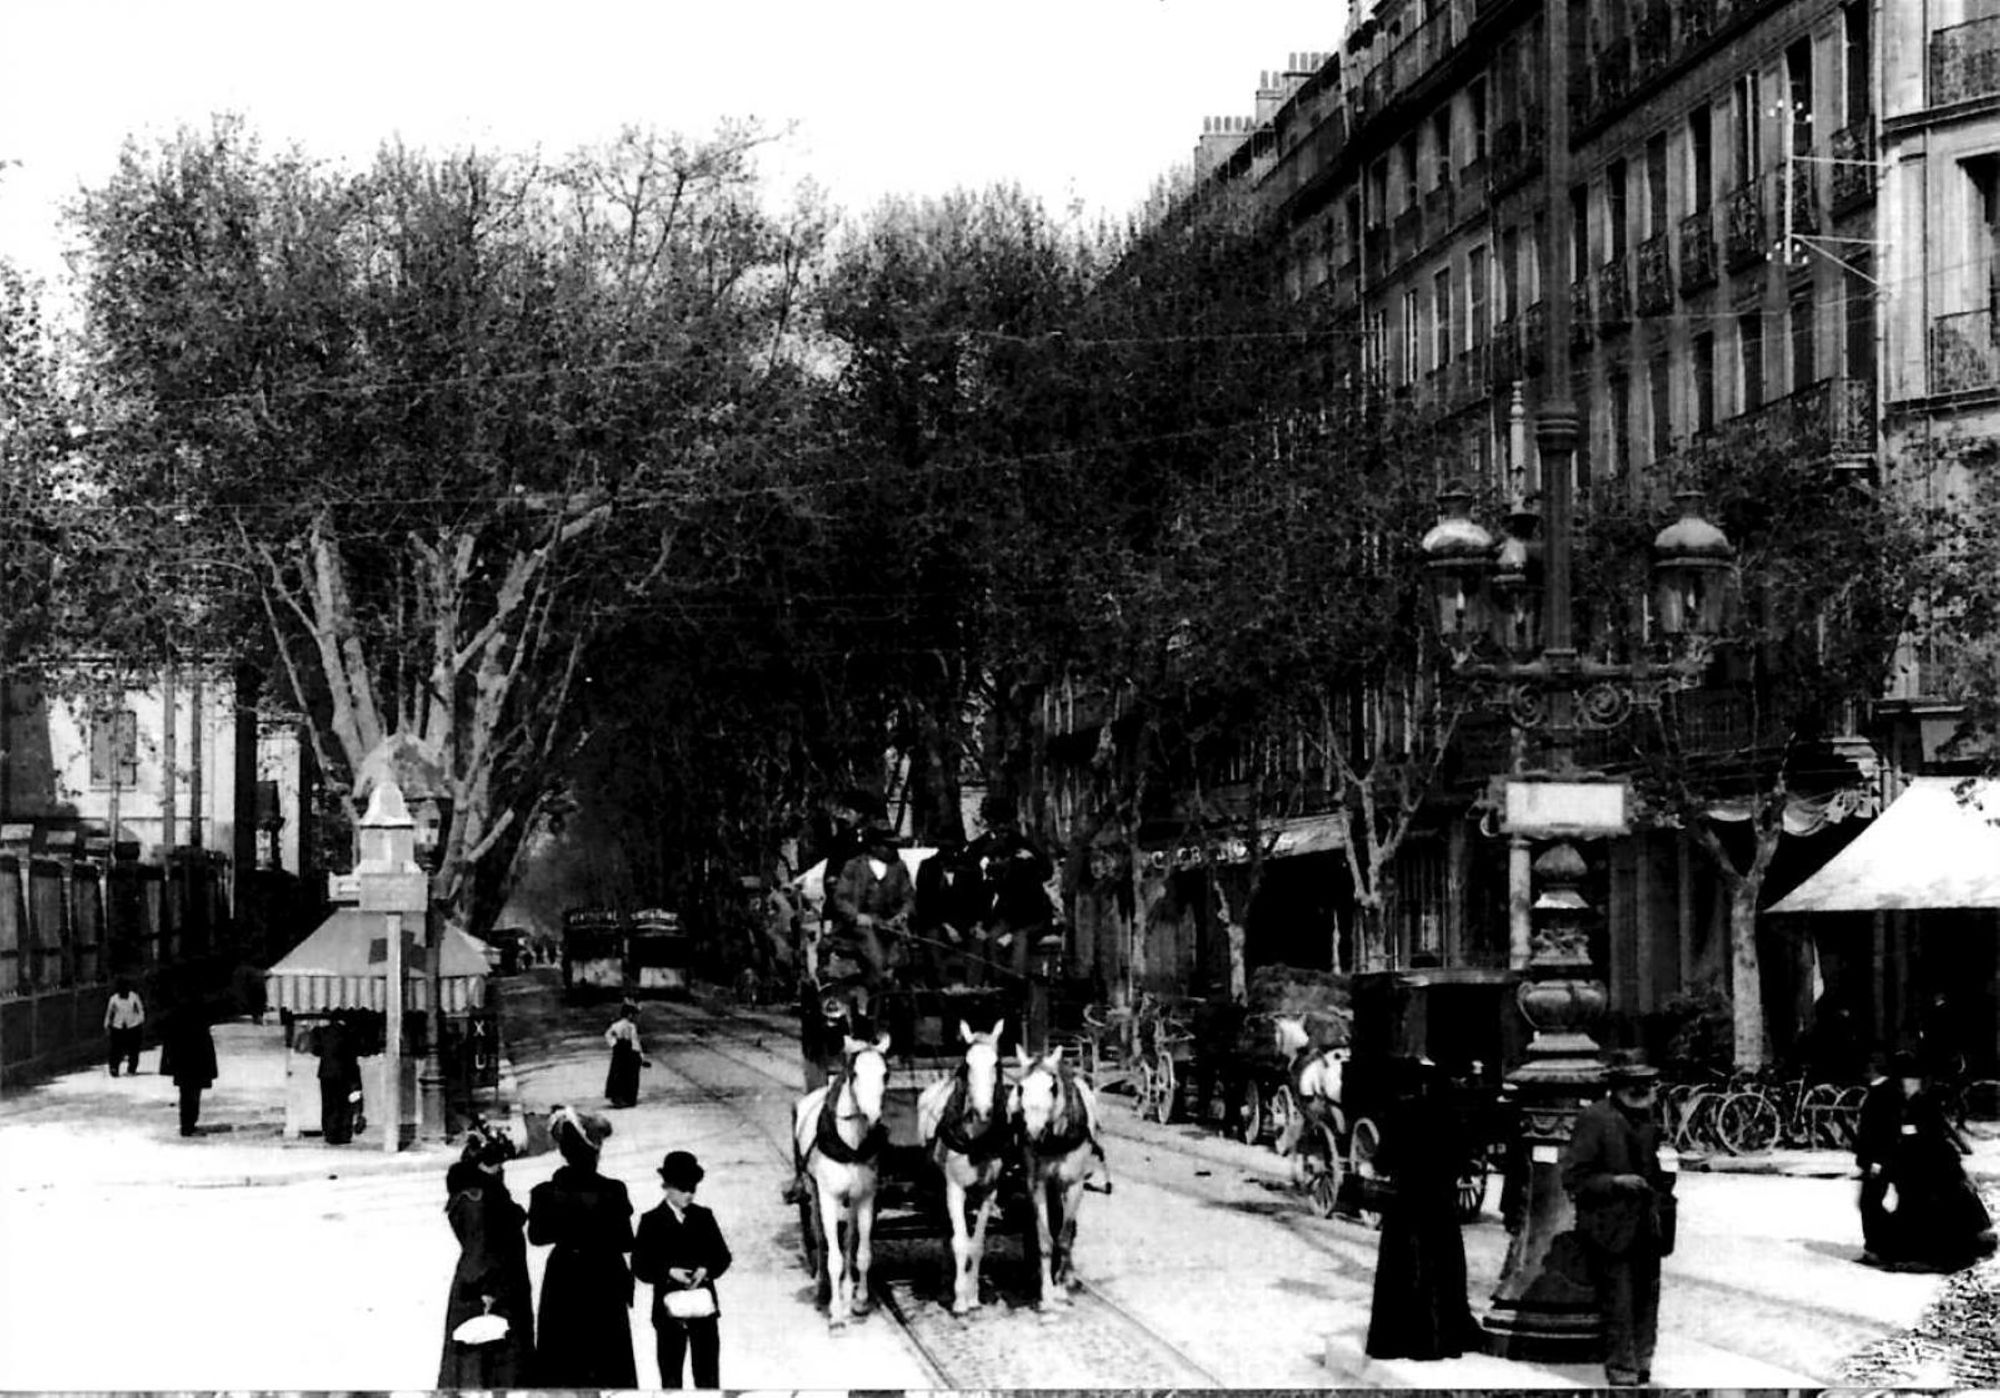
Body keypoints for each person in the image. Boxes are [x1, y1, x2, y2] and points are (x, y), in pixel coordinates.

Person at [1562, 1048, 1673, 1388]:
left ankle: (1642, 1362)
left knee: (1647, 1299)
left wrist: (1667, 1173)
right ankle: (1622, 1369)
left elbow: (1658, 1169)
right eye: (1633, 1083)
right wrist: (1614, 1182)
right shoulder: (1596, 1119)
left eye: (1646, 1083)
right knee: (1619, 1302)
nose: (1642, 1090)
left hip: (1648, 1224)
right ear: (1616, 1085)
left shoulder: (1650, 1118)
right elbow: (1574, 1177)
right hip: (1611, 1226)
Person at [1364, 1058, 1483, 1361]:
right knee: (1444, 1268)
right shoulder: (1451, 1115)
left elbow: (1384, 1160)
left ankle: (1400, 1339)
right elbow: (1463, 1159)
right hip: (1441, 1204)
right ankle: (1442, 1337)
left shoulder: (1400, 1113)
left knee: (1403, 1269)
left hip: (1406, 1203)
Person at [1856, 1050, 1997, 1271]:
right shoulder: (1896, 1100)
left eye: (1913, 1081)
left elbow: (1934, 1135)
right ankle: (1908, 1249)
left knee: (1929, 1207)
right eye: (1906, 1080)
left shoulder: (1921, 1102)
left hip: (1928, 1164)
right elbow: (1891, 1134)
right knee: (1915, 1207)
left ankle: (1931, 1253)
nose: (1910, 1085)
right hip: (1912, 1165)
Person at [528, 1105, 637, 1388]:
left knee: (563, 1362)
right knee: (608, 1363)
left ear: (563, 1152)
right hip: (605, 1278)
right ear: (596, 1152)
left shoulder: (545, 1192)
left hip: (564, 1277)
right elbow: (626, 1241)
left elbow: (537, 1237)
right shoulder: (614, 1190)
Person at [438, 1125, 535, 1388]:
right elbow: (479, 1250)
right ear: (480, 1165)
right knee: (489, 1367)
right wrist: (487, 1289)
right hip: (491, 1292)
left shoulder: (482, 1194)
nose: (501, 1169)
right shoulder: (478, 1200)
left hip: (499, 1286)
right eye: (494, 1163)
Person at [632, 1149, 732, 1389]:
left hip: (703, 1312)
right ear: (667, 1187)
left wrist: (705, 1269)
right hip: (669, 1315)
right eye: (683, 1188)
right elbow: (640, 1265)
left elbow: (722, 1256)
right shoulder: (651, 1221)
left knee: (708, 1378)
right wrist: (668, 1271)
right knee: (671, 1378)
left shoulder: (703, 1217)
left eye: (693, 1189)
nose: (689, 1194)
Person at [965, 793, 1055, 983]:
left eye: (1004, 824)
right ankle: (998, 984)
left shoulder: (1023, 846)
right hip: (1006, 913)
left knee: (1018, 939)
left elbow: (1046, 871)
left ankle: (1016, 984)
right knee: (992, 939)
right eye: (995, 824)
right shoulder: (980, 848)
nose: (1001, 829)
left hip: (1032, 912)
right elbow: (978, 886)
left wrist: (1025, 862)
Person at [828, 814, 913, 998]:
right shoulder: (853, 866)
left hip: (889, 923)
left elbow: (908, 897)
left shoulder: (899, 868)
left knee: (902, 942)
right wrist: (856, 916)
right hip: (860, 925)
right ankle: (880, 979)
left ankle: (896, 985)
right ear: (874, 846)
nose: (891, 849)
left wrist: (903, 914)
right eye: (887, 845)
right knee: (869, 940)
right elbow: (840, 898)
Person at [160, 991, 218, 1138]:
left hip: (182, 1062)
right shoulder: (200, 1020)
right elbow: (207, 1045)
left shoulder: (175, 1016)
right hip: (196, 1062)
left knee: (185, 1093)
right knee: (193, 1094)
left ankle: (187, 1124)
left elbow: (168, 1043)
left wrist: (167, 1065)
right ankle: (188, 1125)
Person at [316, 1015, 363, 1145]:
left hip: (325, 1074)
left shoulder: (323, 1032)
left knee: (328, 1104)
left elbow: (316, 1049)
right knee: (343, 1105)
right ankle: (343, 1134)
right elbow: (353, 1056)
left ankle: (329, 1134)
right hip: (344, 1074)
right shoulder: (349, 1033)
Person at [604, 1001, 648, 1109]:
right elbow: (634, 1041)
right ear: (629, 1015)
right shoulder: (626, 1026)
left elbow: (608, 1035)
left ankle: (622, 1097)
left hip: (624, 1050)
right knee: (624, 1073)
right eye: (633, 1015)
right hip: (625, 1049)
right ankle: (623, 1097)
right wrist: (639, 1054)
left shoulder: (622, 1025)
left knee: (623, 1073)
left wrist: (614, 1044)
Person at [104, 978, 145, 1077]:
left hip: (133, 1025)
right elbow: (109, 1013)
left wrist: (140, 1021)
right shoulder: (114, 999)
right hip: (118, 1026)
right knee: (115, 1049)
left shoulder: (134, 997)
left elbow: (140, 1009)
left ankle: (132, 1068)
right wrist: (106, 1025)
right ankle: (114, 1068)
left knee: (133, 1049)